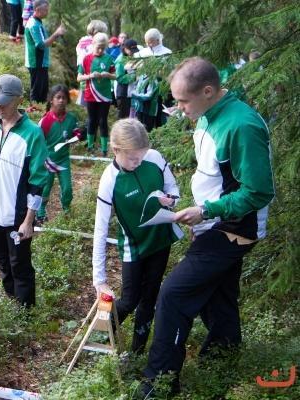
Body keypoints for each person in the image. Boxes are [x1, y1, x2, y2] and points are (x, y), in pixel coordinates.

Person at [140, 57, 275, 397]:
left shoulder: (241, 126)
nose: (178, 107)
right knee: (220, 298)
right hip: (211, 221)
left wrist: (206, 210)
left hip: (232, 228)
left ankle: (158, 385)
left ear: (209, 91)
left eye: (183, 101)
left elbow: (258, 192)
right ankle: (223, 365)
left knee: (173, 294)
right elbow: (213, 173)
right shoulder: (207, 116)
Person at [92, 118, 180, 355]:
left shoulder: (154, 158)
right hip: (135, 246)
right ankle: (99, 338)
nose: (138, 162)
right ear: (116, 150)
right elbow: (100, 231)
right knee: (129, 300)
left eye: (141, 156)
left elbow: (174, 190)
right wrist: (98, 279)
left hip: (160, 241)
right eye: (132, 158)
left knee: (149, 299)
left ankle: (136, 353)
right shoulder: (109, 180)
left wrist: (169, 199)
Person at [0, 74, 48, 308]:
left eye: (4, 101)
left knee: (20, 265)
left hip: (16, 216)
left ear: (18, 100)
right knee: (3, 262)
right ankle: (12, 304)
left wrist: (29, 221)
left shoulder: (32, 134)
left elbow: (38, 181)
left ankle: (25, 313)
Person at [36, 84, 83, 224]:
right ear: (51, 100)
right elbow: (38, 142)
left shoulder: (72, 119)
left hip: (63, 160)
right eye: (58, 97)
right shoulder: (45, 121)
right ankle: (41, 212)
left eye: (64, 98)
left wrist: (79, 135)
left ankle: (66, 211)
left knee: (67, 188)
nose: (61, 100)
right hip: (48, 160)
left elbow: (75, 133)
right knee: (45, 189)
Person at [77, 32, 116, 156]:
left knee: (102, 121)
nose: (100, 50)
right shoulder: (86, 58)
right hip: (90, 94)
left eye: (103, 48)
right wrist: (90, 76)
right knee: (91, 120)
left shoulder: (109, 58)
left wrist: (108, 75)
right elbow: (79, 77)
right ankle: (90, 147)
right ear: (92, 44)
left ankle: (104, 149)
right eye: (98, 47)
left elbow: (116, 76)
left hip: (105, 95)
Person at [24, 0, 66, 105]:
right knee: (37, 89)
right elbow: (41, 45)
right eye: (46, 10)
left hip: (41, 62)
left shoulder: (38, 22)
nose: (47, 12)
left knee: (42, 89)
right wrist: (56, 34)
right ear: (38, 10)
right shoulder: (34, 25)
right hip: (36, 61)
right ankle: (34, 109)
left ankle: (41, 110)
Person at [115, 39, 139, 119]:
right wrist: (134, 77)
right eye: (131, 50)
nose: (133, 52)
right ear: (125, 49)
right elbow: (119, 77)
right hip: (123, 93)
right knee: (123, 117)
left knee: (132, 116)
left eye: (135, 50)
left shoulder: (132, 57)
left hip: (132, 92)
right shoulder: (120, 60)